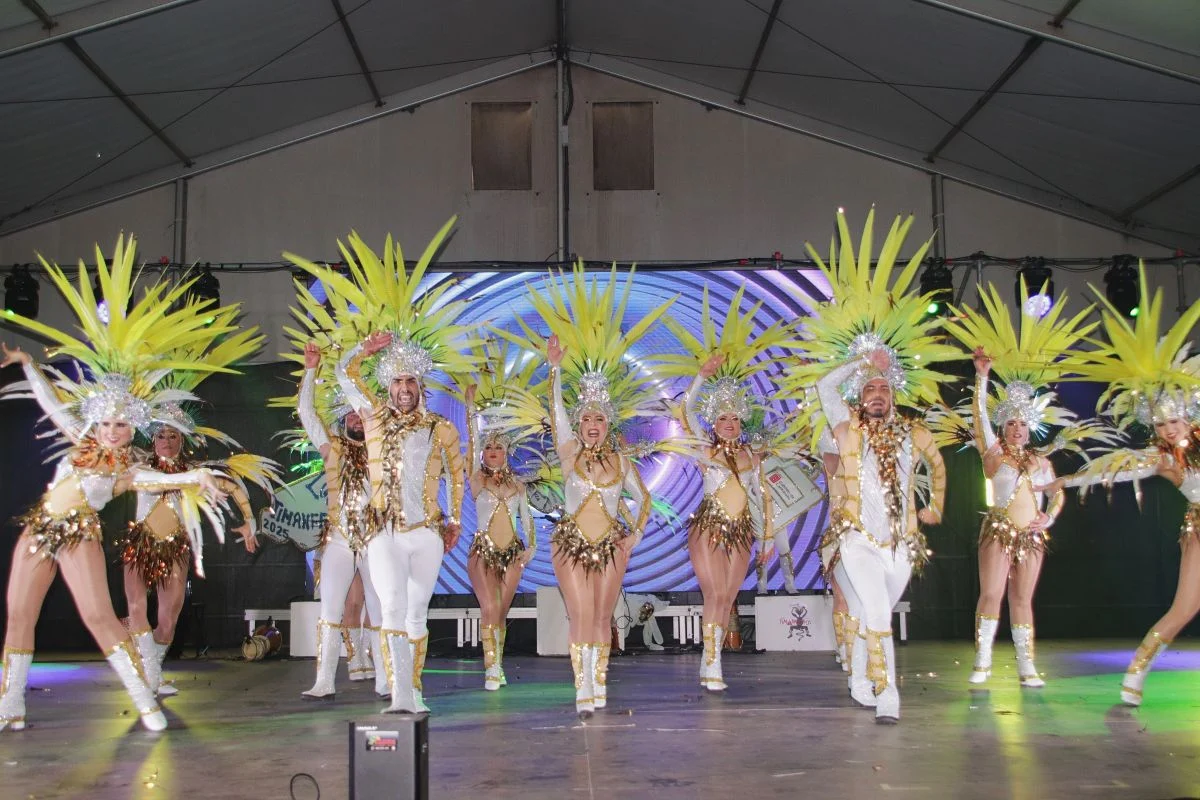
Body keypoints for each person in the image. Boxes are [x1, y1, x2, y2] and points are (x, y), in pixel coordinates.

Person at [0, 235, 235, 732]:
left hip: (78, 534)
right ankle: (11, 704)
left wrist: (199, 475)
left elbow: (159, 476)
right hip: (41, 527)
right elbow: (49, 402)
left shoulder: (127, 469)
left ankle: (146, 702)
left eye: (120, 425)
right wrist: (27, 364)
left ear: (132, 429)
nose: (110, 431)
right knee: (19, 612)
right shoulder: (80, 438)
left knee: (99, 617)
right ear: (97, 423)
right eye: (105, 423)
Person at [287, 220, 480, 714]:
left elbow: (458, 474)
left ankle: (411, 688)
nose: (403, 390)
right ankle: (397, 694)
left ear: (420, 386)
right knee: (389, 606)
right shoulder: (372, 419)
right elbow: (343, 372)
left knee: (416, 613)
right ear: (388, 386)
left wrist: (455, 520)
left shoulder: (440, 427)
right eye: (396, 383)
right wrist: (364, 350)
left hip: (427, 531)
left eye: (410, 382)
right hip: (381, 532)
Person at [791, 208, 958, 723]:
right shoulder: (846, 429)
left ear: (895, 394)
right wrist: (861, 363)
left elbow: (938, 464)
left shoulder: (912, 431)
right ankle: (888, 693)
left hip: (901, 540)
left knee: (869, 612)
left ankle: (861, 678)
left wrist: (935, 505)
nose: (878, 394)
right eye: (870, 389)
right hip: (857, 537)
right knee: (877, 611)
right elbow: (823, 387)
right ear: (860, 396)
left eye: (884, 388)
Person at [499, 265, 672, 717]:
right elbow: (555, 412)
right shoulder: (568, 452)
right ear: (579, 425)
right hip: (571, 544)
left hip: (611, 545)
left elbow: (644, 499)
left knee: (601, 615)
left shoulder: (622, 462)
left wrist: (634, 536)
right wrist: (554, 370)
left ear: (608, 423)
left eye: (599, 419)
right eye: (587, 419)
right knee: (580, 614)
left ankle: (600, 681)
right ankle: (583, 685)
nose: (592, 425)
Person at [1037, 264, 1200, 707]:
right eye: (1161, 424)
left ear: (1189, 418)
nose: (1169, 429)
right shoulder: (1162, 460)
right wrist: (1066, 480)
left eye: (1175, 421)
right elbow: (1114, 471)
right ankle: (1136, 673)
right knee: (1183, 609)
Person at [296, 341, 386, 699]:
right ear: (342, 419)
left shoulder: (382, 450)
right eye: (349, 414)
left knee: (379, 609)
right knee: (330, 609)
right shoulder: (330, 448)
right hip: (339, 538)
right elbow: (305, 411)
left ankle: (384, 678)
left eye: (359, 413)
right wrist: (311, 369)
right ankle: (324, 680)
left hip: (376, 539)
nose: (355, 418)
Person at [463, 382, 537, 690]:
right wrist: (470, 409)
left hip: (513, 554)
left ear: (507, 452)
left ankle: (497, 664)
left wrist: (531, 547)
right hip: (483, 552)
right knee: (490, 608)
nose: (493, 452)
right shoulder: (476, 478)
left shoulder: (518, 485)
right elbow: (471, 442)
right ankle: (490, 668)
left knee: (501, 612)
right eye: (489, 448)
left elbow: (527, 519)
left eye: (499, 448)